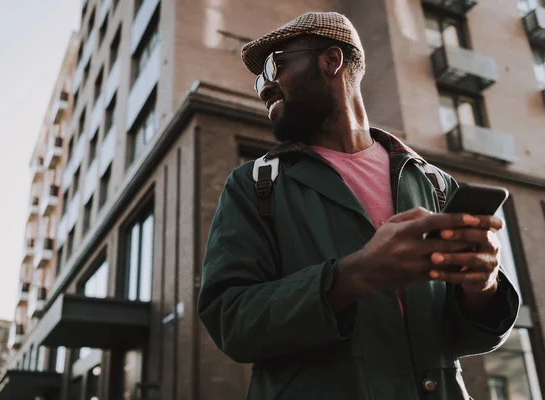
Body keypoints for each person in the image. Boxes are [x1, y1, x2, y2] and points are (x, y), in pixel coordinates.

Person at [197, 11, 520, 400]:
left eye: (273, 66)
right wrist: (357, 274)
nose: (264, 86)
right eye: (259, 78)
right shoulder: (254, 184)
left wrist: (481, 287)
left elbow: (461, 338)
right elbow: (231, 322)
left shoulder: (434, 183)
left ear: (331, 60)